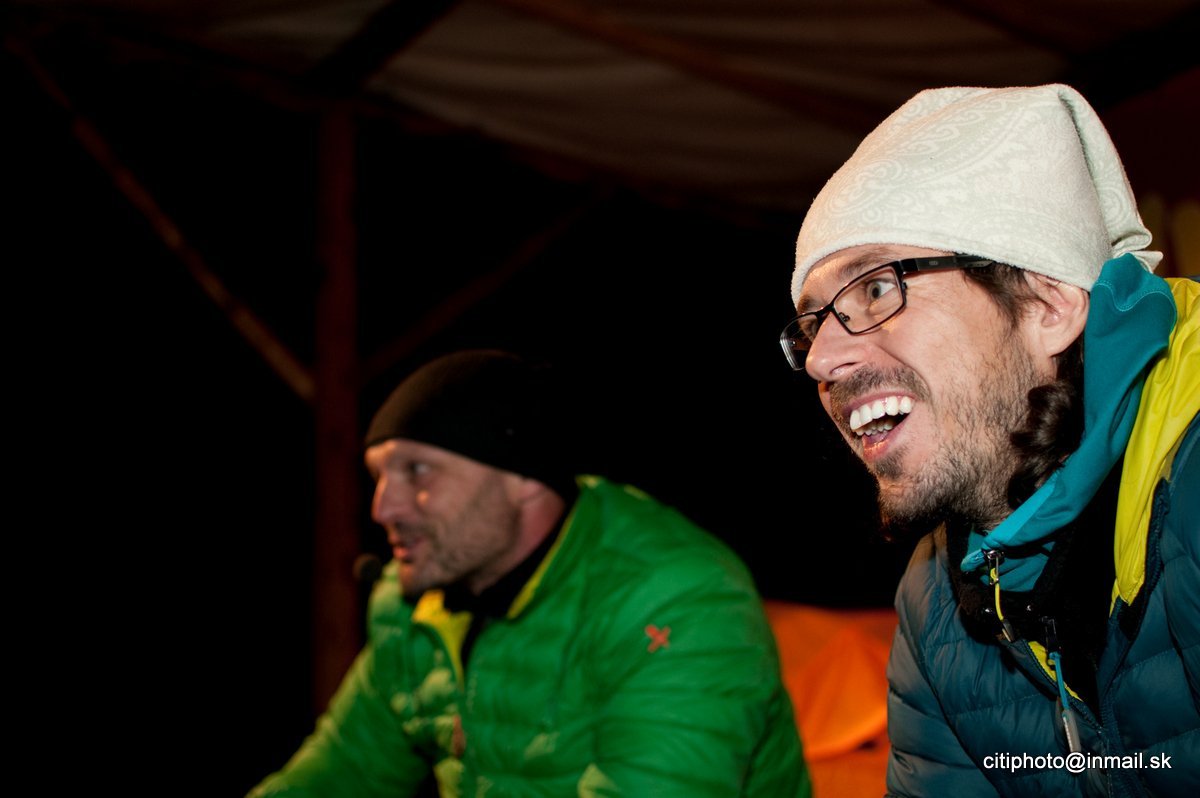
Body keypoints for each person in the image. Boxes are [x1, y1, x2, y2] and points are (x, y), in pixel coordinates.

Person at [779, 84, 1198, 796]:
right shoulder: (937, 603)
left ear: (1047, 304)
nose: (821, 359)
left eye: (876, 289)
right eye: (814, 321)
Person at [250, 349, 810, 797]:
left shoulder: (676, 597)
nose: (383, 508)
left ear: (522, 479)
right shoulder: (410, 601)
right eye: (378, 477)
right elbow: (345, 770)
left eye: (417, 471)